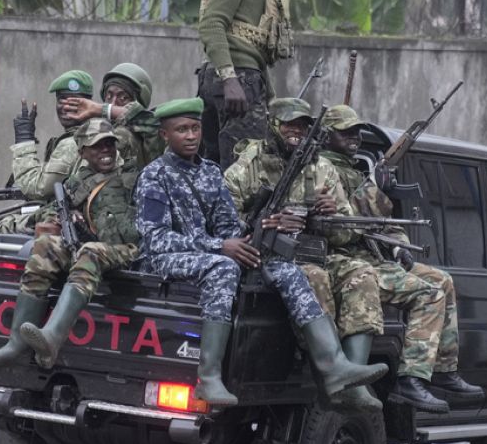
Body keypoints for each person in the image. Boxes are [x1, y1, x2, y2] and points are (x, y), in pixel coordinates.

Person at [135, 97, 386, 407]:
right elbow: (154, 238)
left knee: (281, 264)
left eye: (195, 128)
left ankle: (333, 364)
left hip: (209, 253)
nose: (190, 136)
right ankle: (209, 376)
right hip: (163, 258)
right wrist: (220, 246)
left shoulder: (211, 173)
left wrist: (250, 240)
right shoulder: (154, 175)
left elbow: (228, 224)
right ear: (165, 135)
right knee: (224, 268)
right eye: (181, 130)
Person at [318, 104, 484, 413]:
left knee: (442, 280)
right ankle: (411, 381)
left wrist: (398, 248)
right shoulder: (320, 169)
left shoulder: (356, 170)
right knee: (429, 294)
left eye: (356, 132)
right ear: (327, 136)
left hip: (373, 256)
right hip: (343, 259)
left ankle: (444, 370)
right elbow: (342, 225)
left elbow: (384, 223)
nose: (354, 138)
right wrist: (375, 189)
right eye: (346, 132)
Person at [224, 98, 384, 410]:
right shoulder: (249, 163)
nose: (296, 131)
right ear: (274, 125)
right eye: (289, 124)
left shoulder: (322, 168)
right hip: (268, 254)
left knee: (361, 274)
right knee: (314, 278)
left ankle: (353, 381)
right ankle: (327, 373)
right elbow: (222, 217)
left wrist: (331, 213)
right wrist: (262, 222)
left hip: (315, 249)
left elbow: (348, 232)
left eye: (302, 125)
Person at [0, 119, 141, 370]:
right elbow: (47, 211)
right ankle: (15, 344)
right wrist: (60, 218)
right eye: (97, 146)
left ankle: (52, 336)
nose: (105, 150)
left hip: (125, 248)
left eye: (109, 144)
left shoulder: (131, 176)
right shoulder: (77, 182)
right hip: (90, 247)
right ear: (82, 151)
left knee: (90, 251)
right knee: (46, 247)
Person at [196, 0, 294, 167]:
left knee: (219, 168)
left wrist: (266, 91)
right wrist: (230, 79)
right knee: (246, 170)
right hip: (235, 79)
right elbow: (211, 24)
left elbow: (252, 48)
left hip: (242, 77)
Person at [60, 62, 165, 174]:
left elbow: (154, 122)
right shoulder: (97, 129)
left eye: (123, 98)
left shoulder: (137, 133)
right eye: (109, 96)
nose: (113, 102)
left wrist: (104, 110)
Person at [10, 69, 93, 201]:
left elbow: (36, 188)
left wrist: (24, 142)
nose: (65, 107)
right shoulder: (88, 134)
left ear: (90, 106)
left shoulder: (73, 143)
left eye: (74, 102)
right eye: (61, 100)